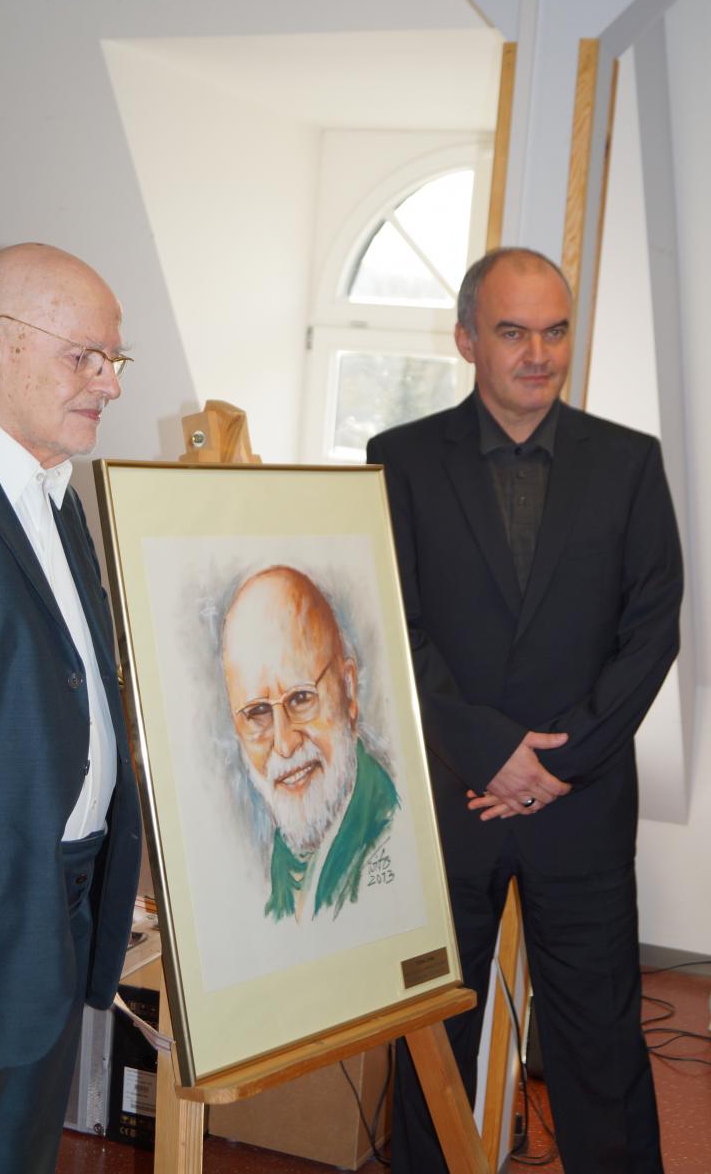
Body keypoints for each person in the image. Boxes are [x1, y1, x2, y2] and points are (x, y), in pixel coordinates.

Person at [367, 247, 682, 1174]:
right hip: (451, 801)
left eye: (554, 331)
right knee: (432, 1042)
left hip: (580, 804)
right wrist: (489, 751)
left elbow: (652, 628)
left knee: (601, 1044)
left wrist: (557, 762)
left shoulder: (629, 462)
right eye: (513, 332)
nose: (538, 354)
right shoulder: (399, 459)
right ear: (467, 338)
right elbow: (390, 623)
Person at [0, 243, 142, 1174]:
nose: (109, 383)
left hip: (53, 923)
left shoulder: (56, 496)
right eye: (84, 356)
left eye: (114, 360)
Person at [221, 565, 399, 921]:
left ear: (348, 690)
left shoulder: (390, 830)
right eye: (257, 712)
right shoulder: (283, 861)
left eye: (301, 698)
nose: (285, 744)